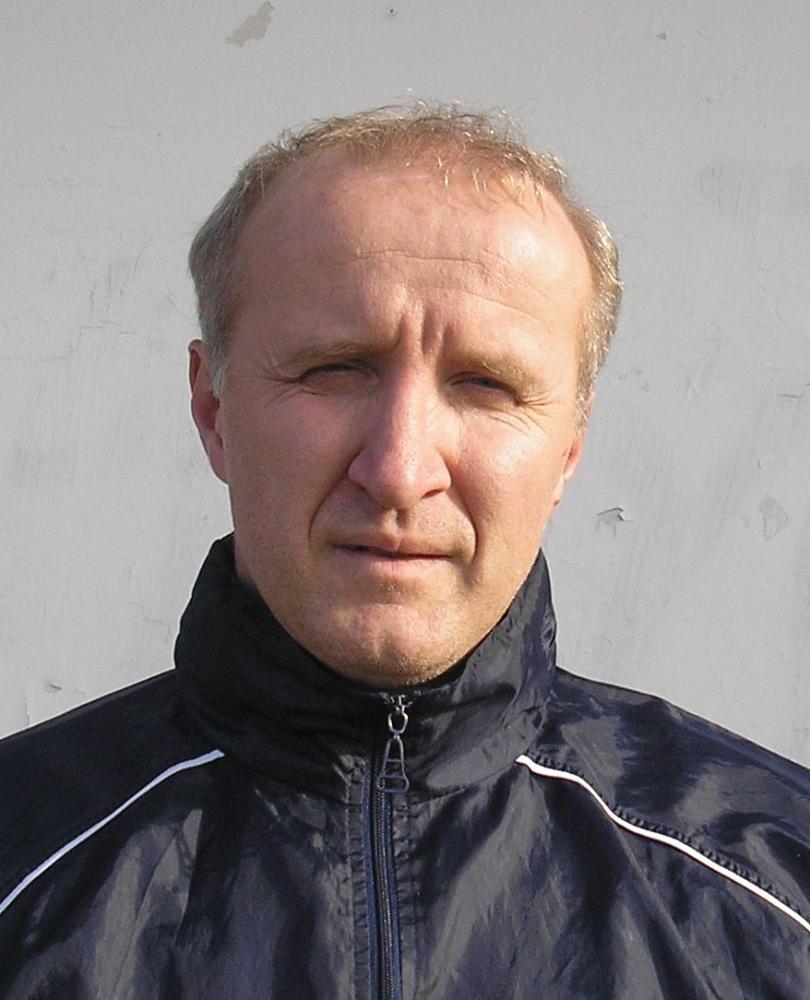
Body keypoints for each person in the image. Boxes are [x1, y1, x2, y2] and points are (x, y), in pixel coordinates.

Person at [1, 105, 809, 999]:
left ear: (570, 448)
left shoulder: (778, 886)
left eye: (487, 385)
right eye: (334, 370)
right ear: (213, 409)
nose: (399, 470)